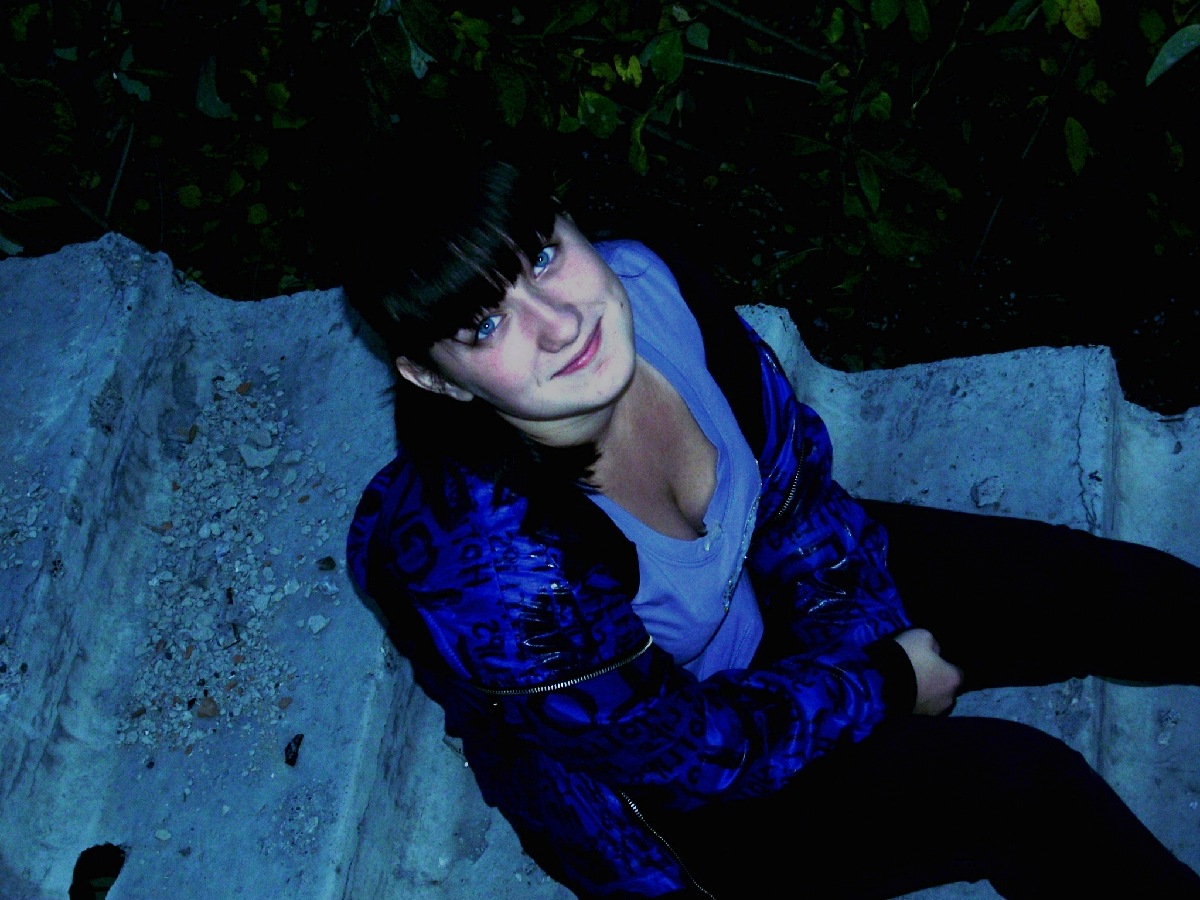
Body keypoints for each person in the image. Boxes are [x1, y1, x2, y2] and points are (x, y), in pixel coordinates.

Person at [339, 145, 1200, 899]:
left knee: (1088, 588)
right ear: (434, 378)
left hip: (776, 600)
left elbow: (796, 493)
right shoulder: (496, 573)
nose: (561, 325)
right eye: (487, 324)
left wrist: (851, 650)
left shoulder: (648, 286)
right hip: (694, 802)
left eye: (542, 255)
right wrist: (885, 683)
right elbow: (685, 755)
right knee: (1022, 790)